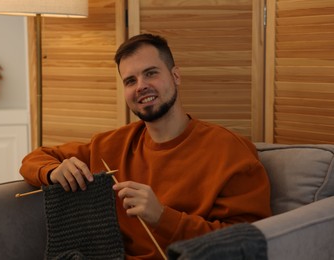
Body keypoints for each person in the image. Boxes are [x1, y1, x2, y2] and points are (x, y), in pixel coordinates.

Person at [20, 33, 272, 259]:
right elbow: (34, 159)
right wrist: (52, 172)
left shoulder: (229, 150)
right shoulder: (110, 145)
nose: (141, 86)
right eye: (130, 80)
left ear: (175, 76)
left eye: (151, 73)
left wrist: (163, 217)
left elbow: (249, 239)